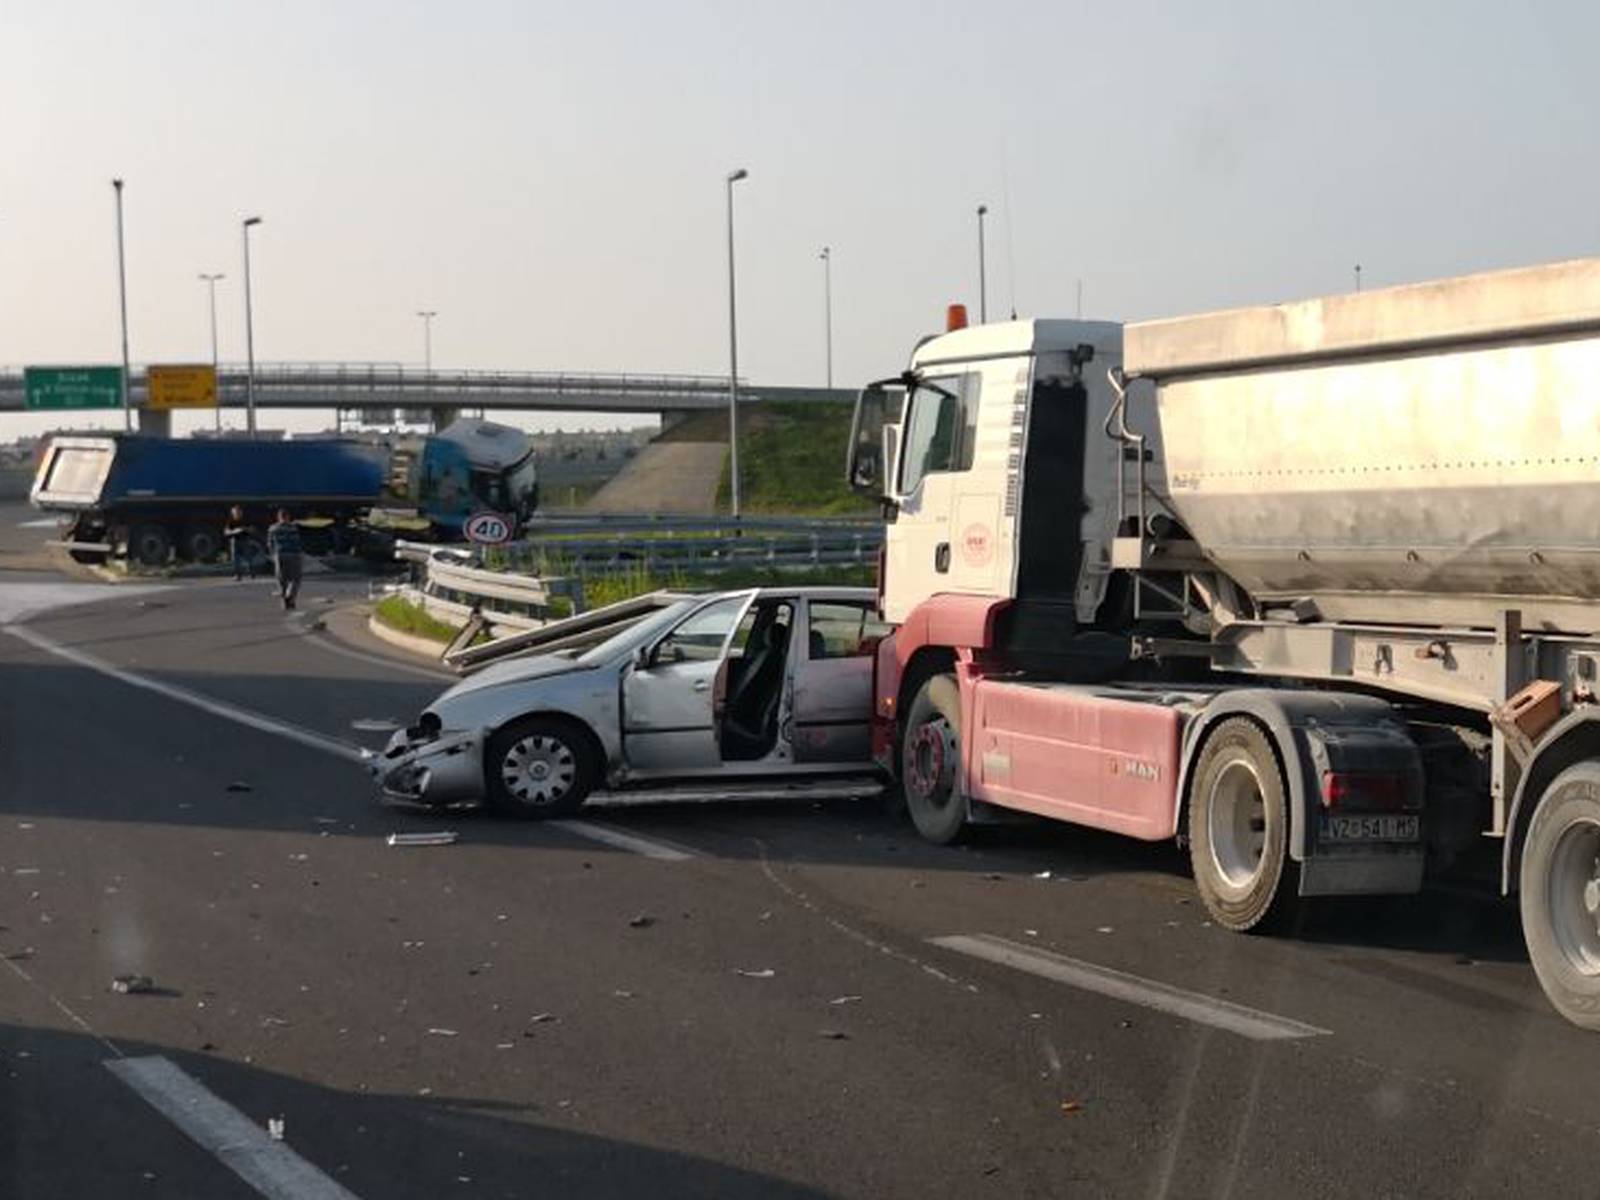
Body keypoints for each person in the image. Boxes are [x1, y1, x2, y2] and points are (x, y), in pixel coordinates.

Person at [267, 508, 303, 610]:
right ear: (288, 516)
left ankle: (284, 599)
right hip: (293, 554)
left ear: (278, 517)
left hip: (280, 554)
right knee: (295, 578)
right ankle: (290, 596)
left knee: (281, 578)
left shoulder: (273, 528)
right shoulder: (293, 528)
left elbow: (270, 543)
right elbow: (297, 541)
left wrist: (272, 554)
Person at [223, 505, 254, 581]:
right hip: (235, 541)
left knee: (248, 558)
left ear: (241, 513)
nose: (237, 514)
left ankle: (251, 573)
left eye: (238, 513)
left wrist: (245, 529)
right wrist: (234, 531)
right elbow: (226, 532)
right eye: (235, 513)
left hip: (245, 540)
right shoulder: (230, 521)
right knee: (236, 560)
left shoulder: (246, 520)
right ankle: (238, 575)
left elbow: (252, 529)